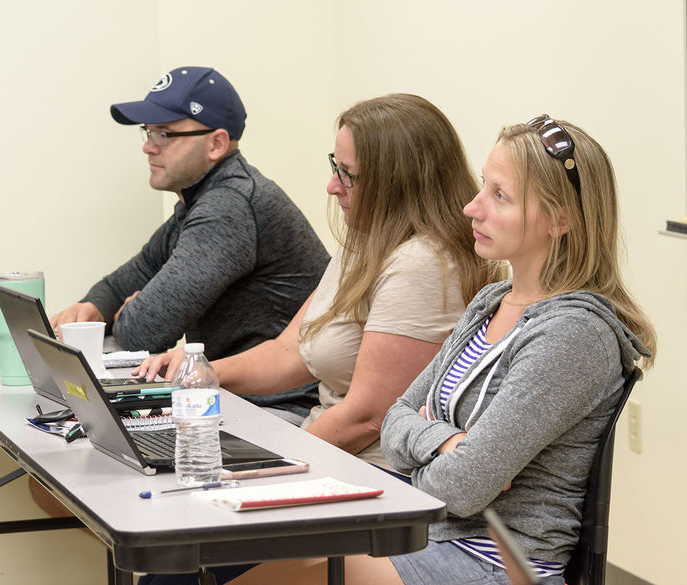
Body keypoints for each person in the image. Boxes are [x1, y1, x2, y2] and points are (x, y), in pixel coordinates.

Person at [227, 115, 656, 585]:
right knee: (256, 564)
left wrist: (438, 456)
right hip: (434, 532)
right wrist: (447, 443)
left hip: (493, 562)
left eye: (500, 196)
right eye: (482, 187)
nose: (473, 208)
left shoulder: (575, 334)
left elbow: (461, 489)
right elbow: (397, 418)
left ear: (561, 219)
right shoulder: (493, 301)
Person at [135, 93, 502, 585]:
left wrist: (262, 474)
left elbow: (368, 417)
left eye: (347, 174)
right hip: (327, 451)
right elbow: (291, 352)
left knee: (178, 566)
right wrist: (199, 371)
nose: (332, 186)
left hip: (376, 474)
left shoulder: (423, 264)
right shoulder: (366, 241)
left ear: (396, 183)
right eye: (336, 166)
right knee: (174, 553)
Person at [51, 66, 329, 419]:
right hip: (229, 396)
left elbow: (142, 332)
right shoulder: (200, 201)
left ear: (216, 143)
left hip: (279, 408)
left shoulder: (229, 206)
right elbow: (120, 283)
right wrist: (97, 306)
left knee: (81, 441)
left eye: (165, 134)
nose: (149, 147)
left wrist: (128, 311)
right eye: (148, 132)